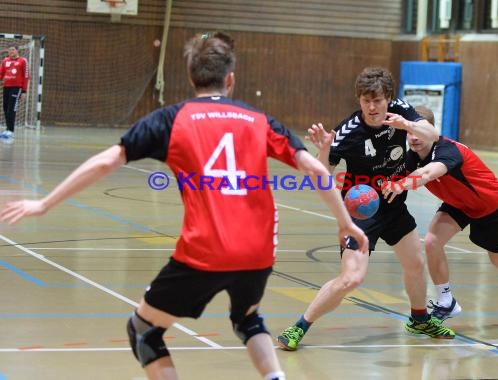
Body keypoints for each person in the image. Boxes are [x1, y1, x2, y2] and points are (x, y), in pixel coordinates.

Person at [0, 31, 369, 380]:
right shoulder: (259, 121)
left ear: (192, 79)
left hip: (205, 251)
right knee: (247, 318)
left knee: (144, 331)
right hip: (258, 252)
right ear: (231, 80)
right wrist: (344, 223)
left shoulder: (171, 120)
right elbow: (313, 166)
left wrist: (45, 203)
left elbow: (104, 162)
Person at [277, 67, 456, 352]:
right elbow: (321, 177)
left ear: (388, 98)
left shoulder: (400, 110)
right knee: (351, 278)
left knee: (416, 263)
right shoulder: (348, 131)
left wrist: (407, 125)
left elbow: (433, 134)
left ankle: (419, 319)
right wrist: (324, 150)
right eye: (365, 101)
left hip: (394, 206)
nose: (372, 107)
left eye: (377, 100)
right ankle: (299, 325)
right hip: (361, 213)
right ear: (359, 100)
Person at [382, 105, 498, 327]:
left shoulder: (448, 151)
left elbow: (427, 173)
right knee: (431, 242)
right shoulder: (411, 157)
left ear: (431, 130)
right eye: (409, 133)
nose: (414, 138)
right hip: (458, 204)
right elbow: (388, 177)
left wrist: (401, 185)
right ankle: (446, 299)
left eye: (419, 132)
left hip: (491, 206)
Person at [0, 45, 28, 144]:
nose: (10, 51)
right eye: (9, 50)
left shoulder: (22, 61)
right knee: (5, 108)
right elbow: (1, 74)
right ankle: (7, 129)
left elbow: (26, 76)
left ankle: (11, 131)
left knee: (11, 109)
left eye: (12, 50)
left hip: (16, 88)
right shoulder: (5, 61)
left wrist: (24, 91)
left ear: (17, 50)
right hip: (6, 87)